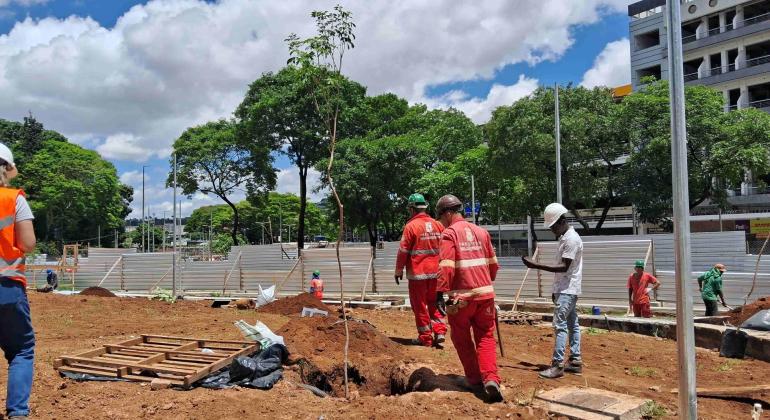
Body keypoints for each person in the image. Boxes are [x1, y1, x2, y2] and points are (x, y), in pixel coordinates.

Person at [434, 194, 502, 402]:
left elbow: (446, 267)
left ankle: (474, 380)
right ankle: (491, 379)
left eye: (441, 217)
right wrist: (483, 284)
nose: (441, 222)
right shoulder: (482, 232)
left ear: (447, 213)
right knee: (485, 337)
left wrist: (440, 293)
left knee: (462, 338)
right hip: (485, 295)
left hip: (461, 299)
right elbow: (493, 266)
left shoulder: (450, 234)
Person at [522, 202, 582, 380]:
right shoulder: (566, 237)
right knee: (572, 324)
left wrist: (536, 265)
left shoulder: (571, 239)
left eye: (553, 226)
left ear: (562, 221)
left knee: (560, 325)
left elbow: (564, 267)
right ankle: (575, 360)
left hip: (567, 289)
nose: (552, 230)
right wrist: (555, 289)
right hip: (566, 289)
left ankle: (557, 365)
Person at [0, 143, 36, 419]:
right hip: (6, 288)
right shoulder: (13, 199)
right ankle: (18, 413)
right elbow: (27, 243)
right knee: (21, 349)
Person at [394, 193, 446, 348]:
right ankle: (440, 331)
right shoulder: (438, 225)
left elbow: (403, 251)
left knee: (420, 306)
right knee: (435, 303)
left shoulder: (411, 226)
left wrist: (398, 270)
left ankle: (425, 338)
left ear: (411, 209)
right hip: (437, 273)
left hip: (418, 275)